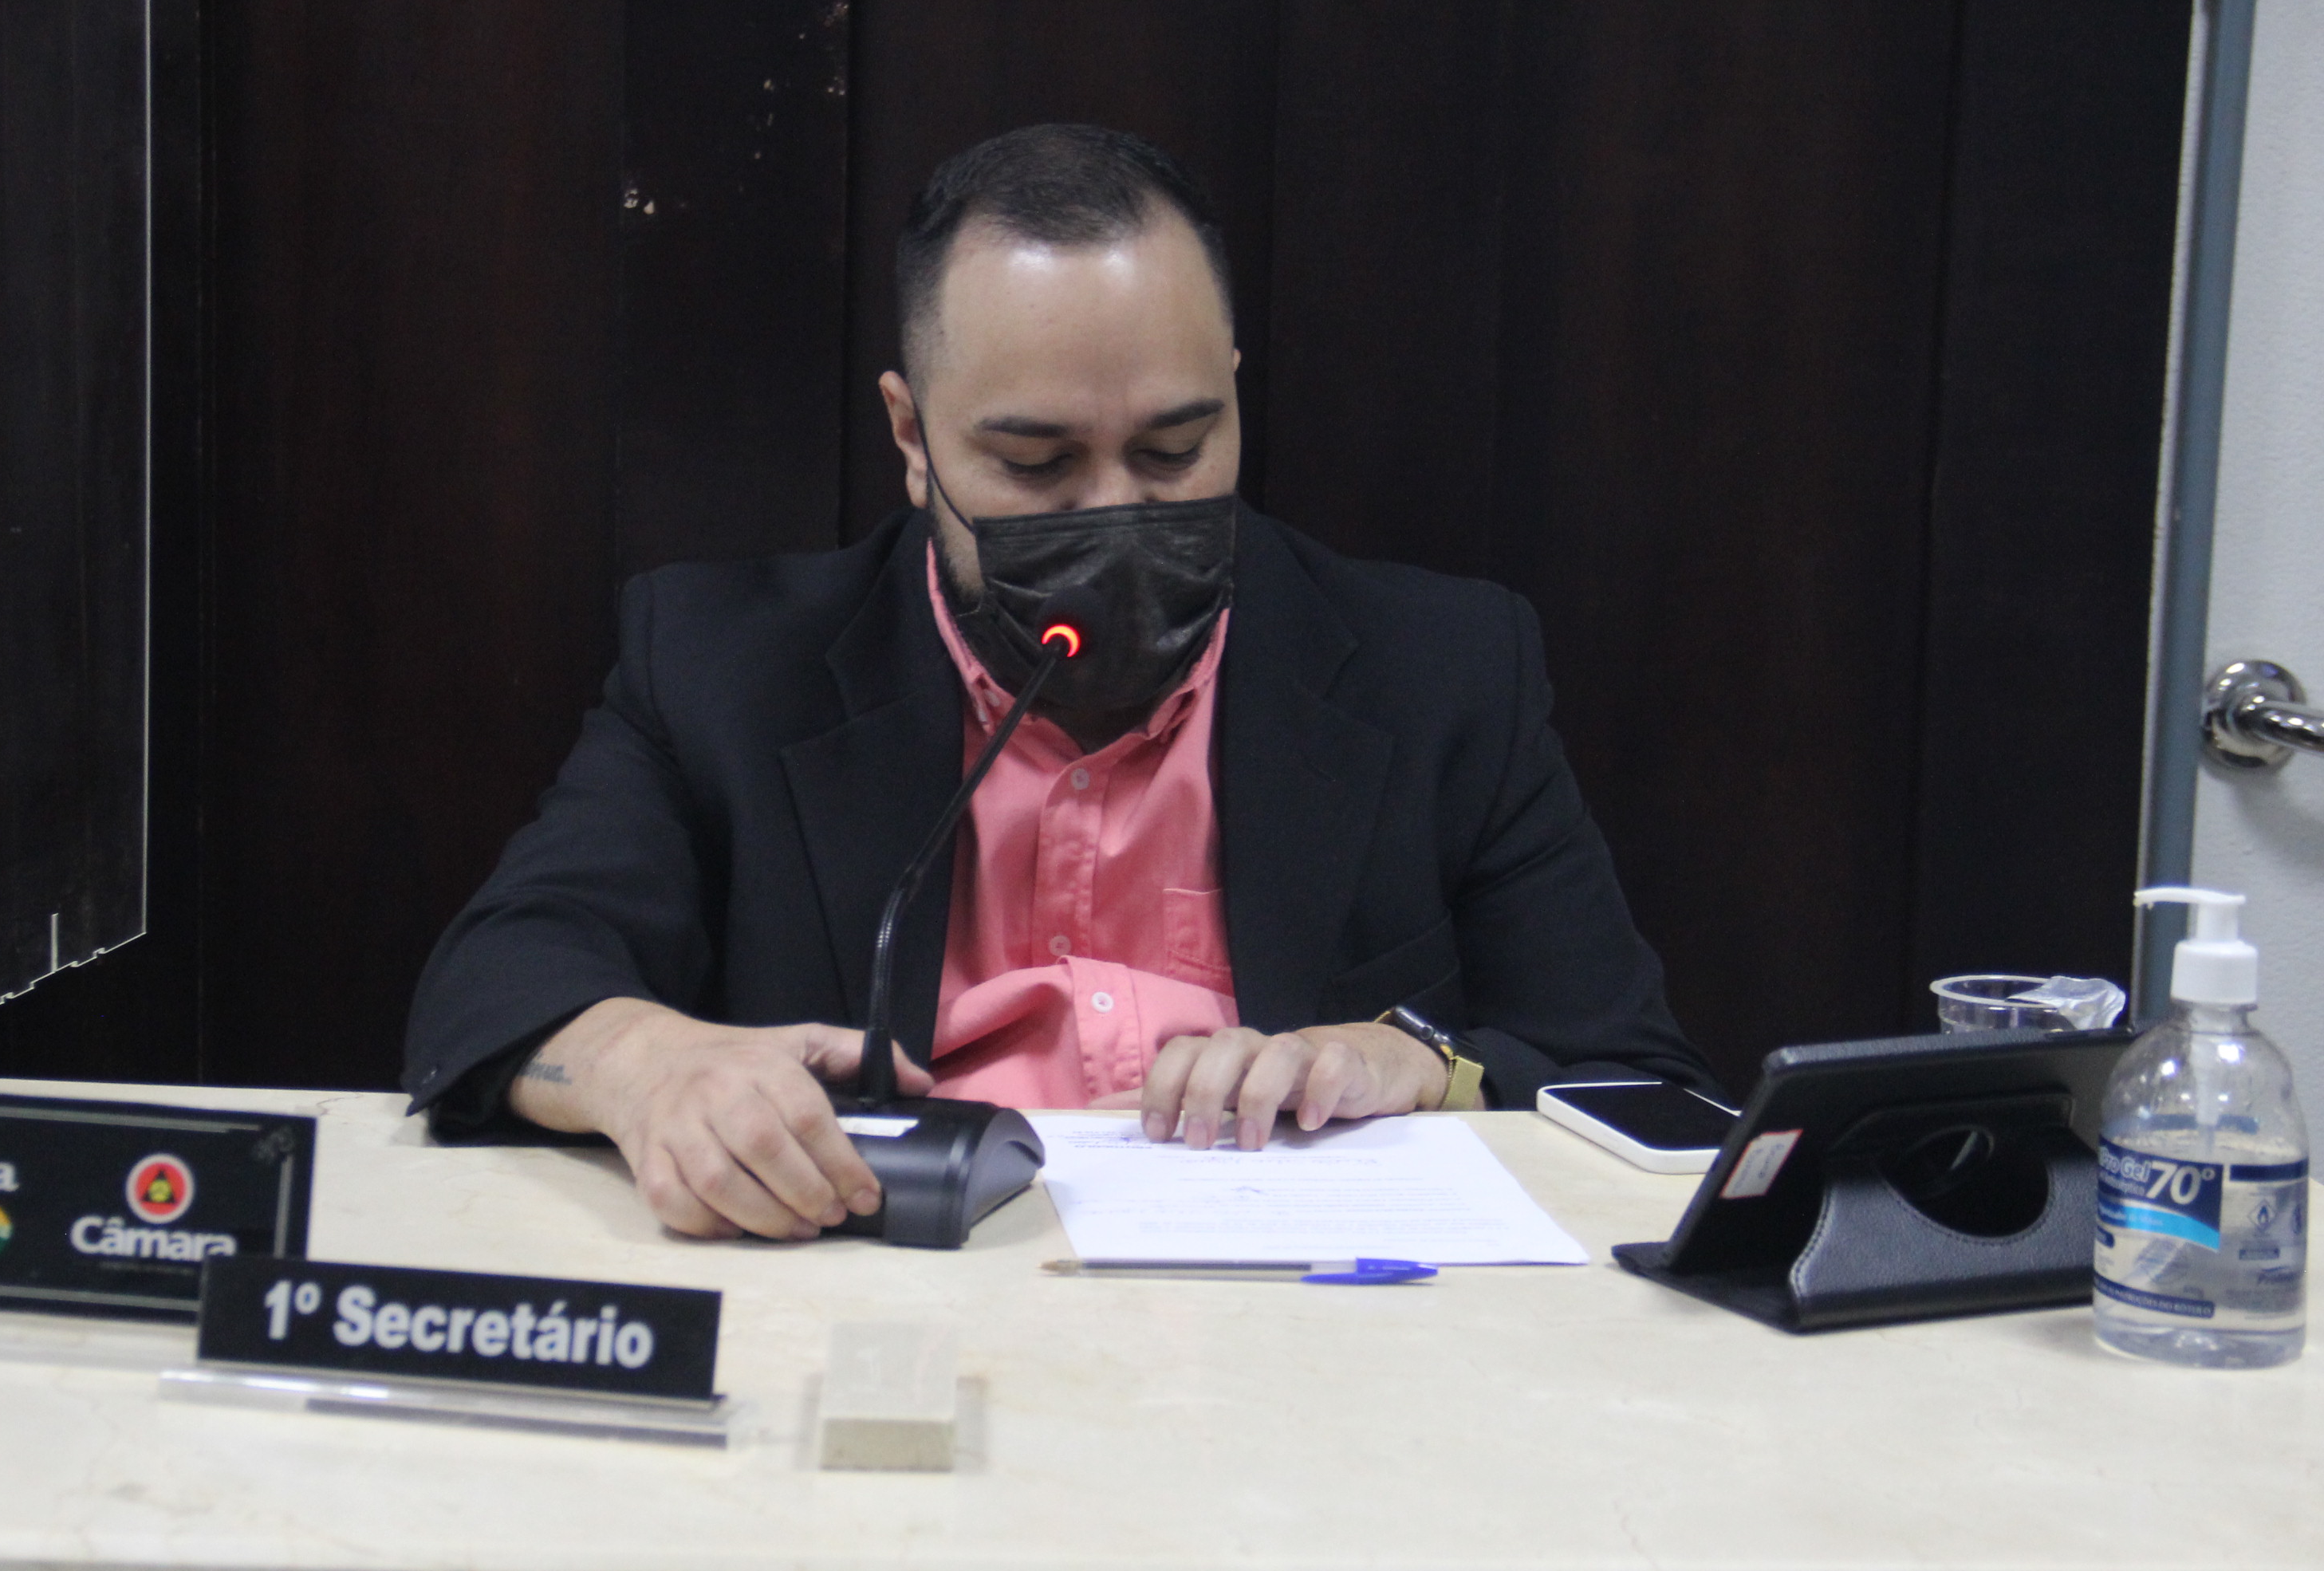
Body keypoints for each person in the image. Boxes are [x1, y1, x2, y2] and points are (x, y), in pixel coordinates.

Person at [404, 124, 1711, 1240]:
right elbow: (495, 983)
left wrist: (1418, 1062)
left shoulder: (1444, 671)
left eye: (1175, 449)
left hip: (1308, 1337)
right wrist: (645, 1063)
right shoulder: (725, 666)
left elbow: (1631, 1075)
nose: (1114, 517)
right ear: (912, 436)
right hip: (888, 1295)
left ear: (1236, 399)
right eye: (1036, 466)